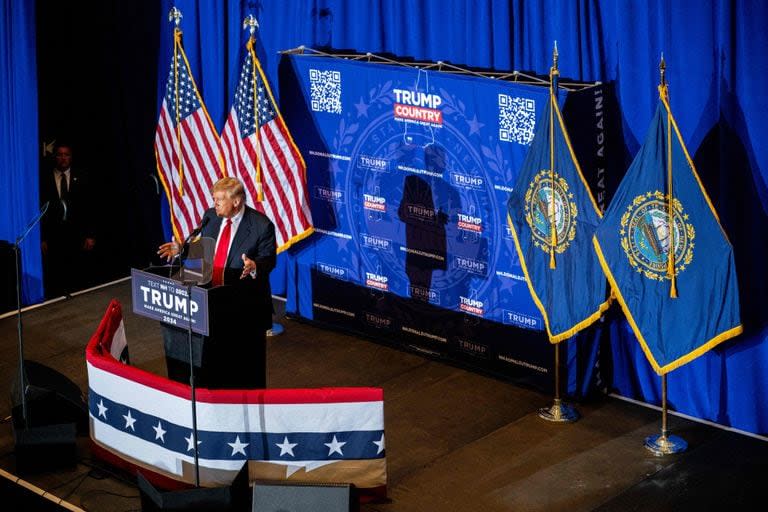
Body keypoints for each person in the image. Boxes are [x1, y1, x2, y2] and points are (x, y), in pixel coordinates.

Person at [158, 177, 276, 389]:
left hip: (244, 308)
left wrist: (254, 265)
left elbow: (269, 259)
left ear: (237, 201)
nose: (215, 204)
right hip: (213, 303)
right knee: (217, 365)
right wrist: (182, 250)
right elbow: (203, 250)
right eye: (214, 199)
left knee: (245, 370)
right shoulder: (210, 217)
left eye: (219, 200)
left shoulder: (261, 225)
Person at [39, 142, 96, 298]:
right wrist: (42, 237)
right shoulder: (44, 179)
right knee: (57, 274)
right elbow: (40, 210)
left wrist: (90, 234)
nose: (63, 158)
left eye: (66, 155)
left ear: (71, 157)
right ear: (55, 157)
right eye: (59, 154)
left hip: (77, 234)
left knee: (78, 276)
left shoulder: (82, 176)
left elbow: (89, 207)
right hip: (54, 236)